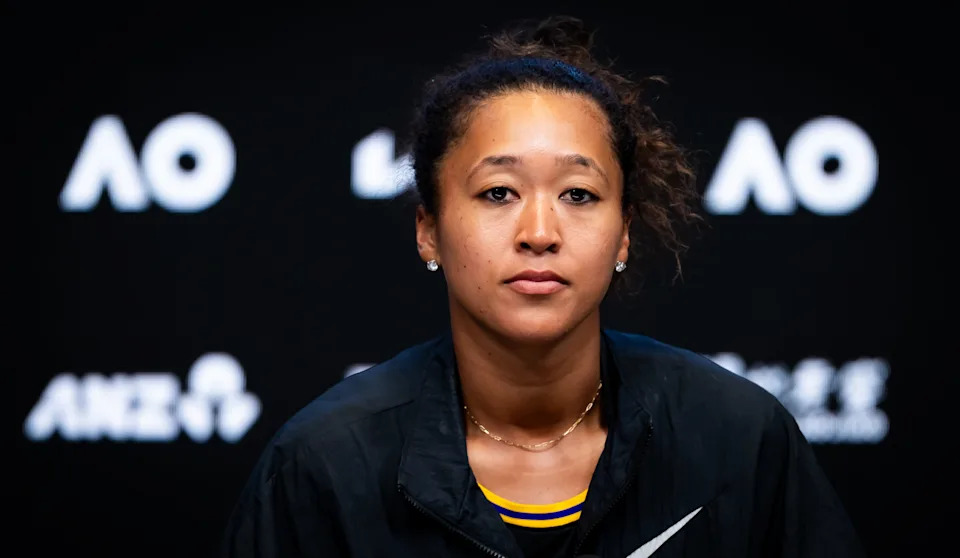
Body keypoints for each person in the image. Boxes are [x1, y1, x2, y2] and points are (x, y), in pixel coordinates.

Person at [220, 15, 864, 558]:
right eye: (498, 192)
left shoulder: (738, 438)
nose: (539, 232)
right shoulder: (325, 464)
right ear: (428, 230)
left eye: (578, 195)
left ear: (623, 234)